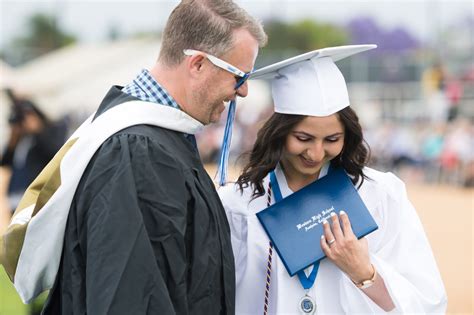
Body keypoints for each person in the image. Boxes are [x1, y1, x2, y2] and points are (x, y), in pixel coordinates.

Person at [0, 1, 267, 314]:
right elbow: (131, 297)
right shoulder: (136, 153)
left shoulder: (150, 136)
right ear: (197, 64)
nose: (244, 91)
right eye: (239, 76)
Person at [218, 45, 447, 314]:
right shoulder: (240, 203)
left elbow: (427, 301)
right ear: (278, 133)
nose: (316, 153)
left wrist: (364, 271)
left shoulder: (379, 195)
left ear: (347, 136)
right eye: (303, 139)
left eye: (332, 140)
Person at [0, 90, 68, 213]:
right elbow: (5, 162)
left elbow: (55, 152)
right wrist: (13, 138)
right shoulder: (21, 140)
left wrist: (37, 131)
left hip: (46, 196)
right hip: (21, 200)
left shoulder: (52, 130)